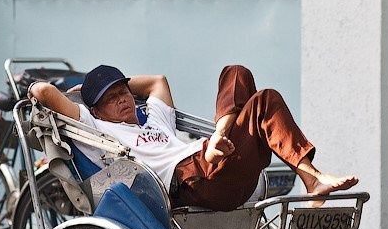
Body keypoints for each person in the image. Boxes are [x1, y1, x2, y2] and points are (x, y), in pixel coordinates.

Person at [28, 64, 358, 212]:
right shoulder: (97, 127)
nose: (123, 98)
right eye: (111, 98)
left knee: (242, 77)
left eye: (124, 91)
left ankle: (310, 179)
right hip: (191, 180)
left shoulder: (153, 117)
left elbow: (158, 80)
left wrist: (118, 82)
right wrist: (83, 98)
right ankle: (216, 146)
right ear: (97, 111)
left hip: (223, 166)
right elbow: (43, 91)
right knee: (259, 101)